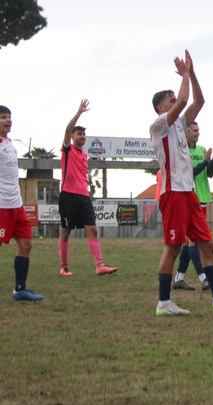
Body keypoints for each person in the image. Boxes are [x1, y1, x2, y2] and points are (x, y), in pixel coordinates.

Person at [150, 50, 213, 315]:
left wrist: (192, 74)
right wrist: (184, 76)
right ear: (161, 108)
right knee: (172, 247)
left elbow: (198, 99)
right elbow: (183, 99)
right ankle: (163, 302)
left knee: (208, 245)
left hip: (189, 194)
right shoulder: (159, 126)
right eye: (169, 100)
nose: (176, 101)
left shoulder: (180, 126)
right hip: (173, 194)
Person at [58, 99, 118, 277]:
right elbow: (67, 130)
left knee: (92, 229)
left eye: (84, 134)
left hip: (84, 196)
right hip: (68, 196)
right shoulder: (67, 150)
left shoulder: (84, 154)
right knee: (66, 231)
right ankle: (64, 267)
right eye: (79, 134)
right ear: (72, 136)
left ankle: (99, 266)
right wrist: (79, 113)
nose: (82, 136)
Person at [173, 122, 213, 291]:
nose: (198, 133)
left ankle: (179, 278)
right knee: (194, 240)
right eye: (195, 130)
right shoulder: (181, 150)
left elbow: (208, 173)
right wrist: (205, 161)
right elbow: (189, 173)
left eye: (199, 130)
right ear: (186, 132)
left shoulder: (201, 149)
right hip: (188, 199)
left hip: (202, 198)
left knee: (189, 242)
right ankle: (203, 278)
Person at [0, 105, 42, 301]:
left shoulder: (9, 143)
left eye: (9, 117)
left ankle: (20, 289)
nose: (8, 121)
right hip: (1, 206)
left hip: (16, 204)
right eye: (3, 117)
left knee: (26, 244)